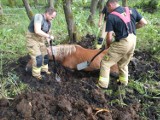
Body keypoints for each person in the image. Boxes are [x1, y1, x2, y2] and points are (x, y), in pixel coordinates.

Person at [98, 0, 147, 89]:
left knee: (105, 63)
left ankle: (102, 86)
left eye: (108, 8)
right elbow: (143, 22)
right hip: (133, 41)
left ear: (110, 5)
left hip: (123, 43)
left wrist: (108, 46)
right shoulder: (131, 10)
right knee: (123, 63)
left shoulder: (111, 16)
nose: (108, 10)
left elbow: (109, 36)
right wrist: (132, 28)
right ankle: (123, 82)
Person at [26, 7, 56, 80]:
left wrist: (49, 43)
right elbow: (37, 31)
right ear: (47, 13)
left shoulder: (49, 22)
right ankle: (36, 75)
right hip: (32, 39)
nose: (53, 18)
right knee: (38, 58)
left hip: (41, 40)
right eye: (52, 17)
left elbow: (47, 34)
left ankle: (44, 70)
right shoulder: (39, 17)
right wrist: (49, 36)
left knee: (45, 56)